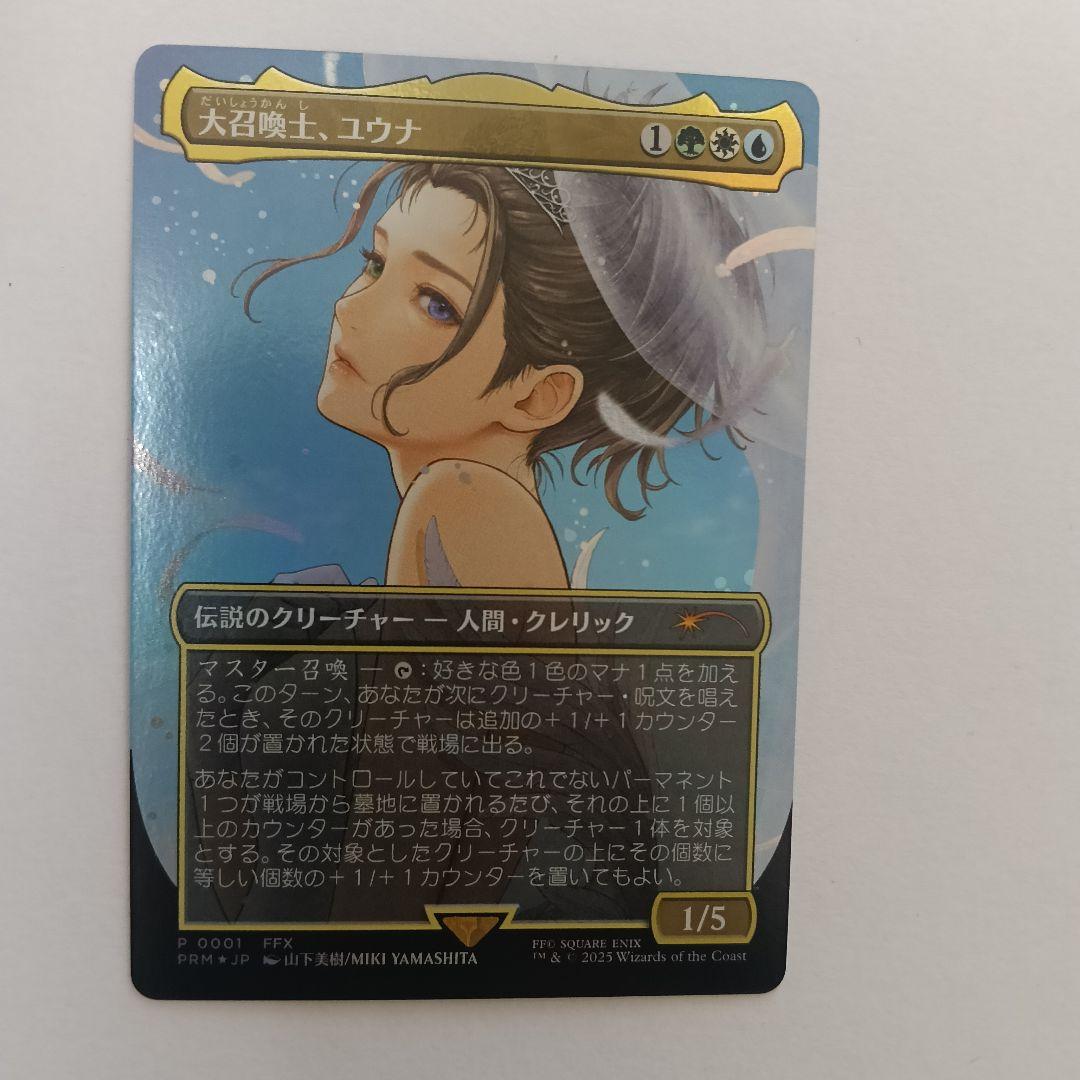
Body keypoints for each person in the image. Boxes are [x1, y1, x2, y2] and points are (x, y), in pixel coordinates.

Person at [239, 161, 766, 590]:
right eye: (376, 263)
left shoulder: (461, 497)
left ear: (537, 395)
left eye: (436, 304)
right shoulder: (476, 508)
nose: (348, 307)